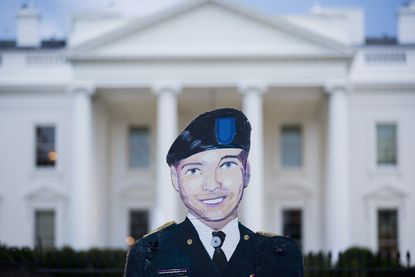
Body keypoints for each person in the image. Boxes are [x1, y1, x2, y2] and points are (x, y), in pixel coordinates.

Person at [124, 108, 304, 277]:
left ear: (246, 172)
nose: (212, 185)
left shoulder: (280, 255)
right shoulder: (148, 254)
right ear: (174, 177)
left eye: (227, 165)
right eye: (194, 170)